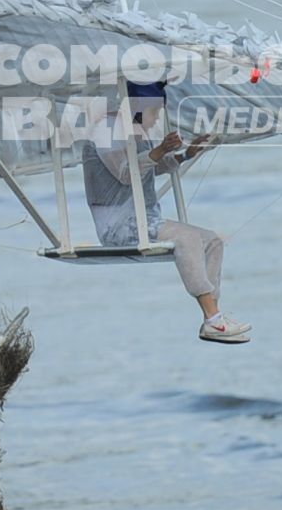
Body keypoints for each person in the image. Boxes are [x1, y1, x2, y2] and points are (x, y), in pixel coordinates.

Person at [83, 82, 249, 343]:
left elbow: (153, 169)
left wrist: (185, 155)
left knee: (213, 240)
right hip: (118, 226)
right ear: (136, 109)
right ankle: (213, 320)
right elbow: (127, 175)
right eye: (153, 113)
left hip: (144, 219)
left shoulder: (136, 133)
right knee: (188, 239)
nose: (156, 119)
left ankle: (213, 317)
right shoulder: (107, 130)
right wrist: (159, 150)